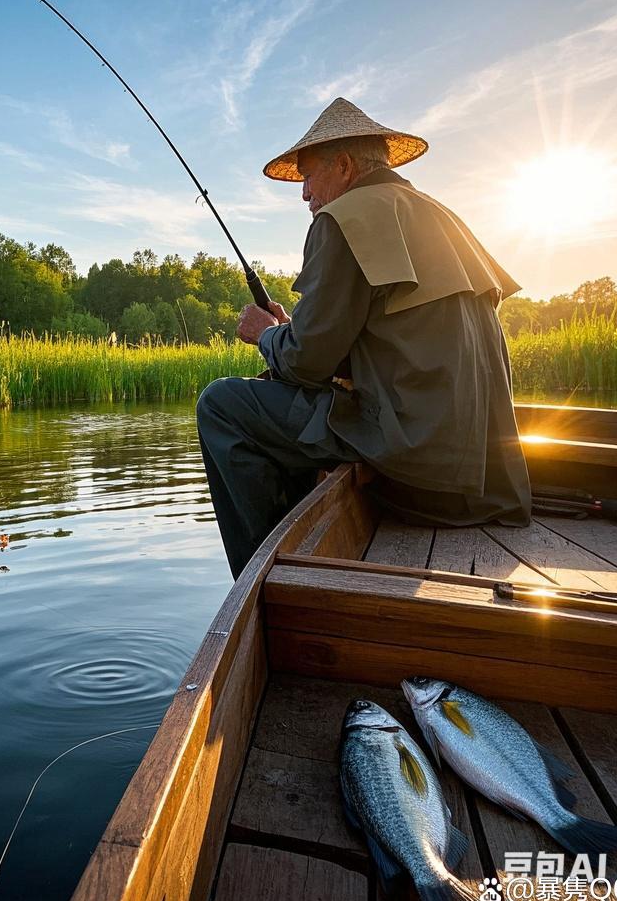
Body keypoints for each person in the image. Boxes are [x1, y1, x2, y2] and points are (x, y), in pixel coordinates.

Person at [197, 98, 531, 578]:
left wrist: (268, 336)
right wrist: (297, 330)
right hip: (490, 484)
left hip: (420, 475)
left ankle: (263, 578)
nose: (305, 194)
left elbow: (305, 362)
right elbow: (397, 344)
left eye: (309, 175)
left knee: (222, 405)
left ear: (346, 166)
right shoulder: (443, 218)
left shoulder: (343, 220)